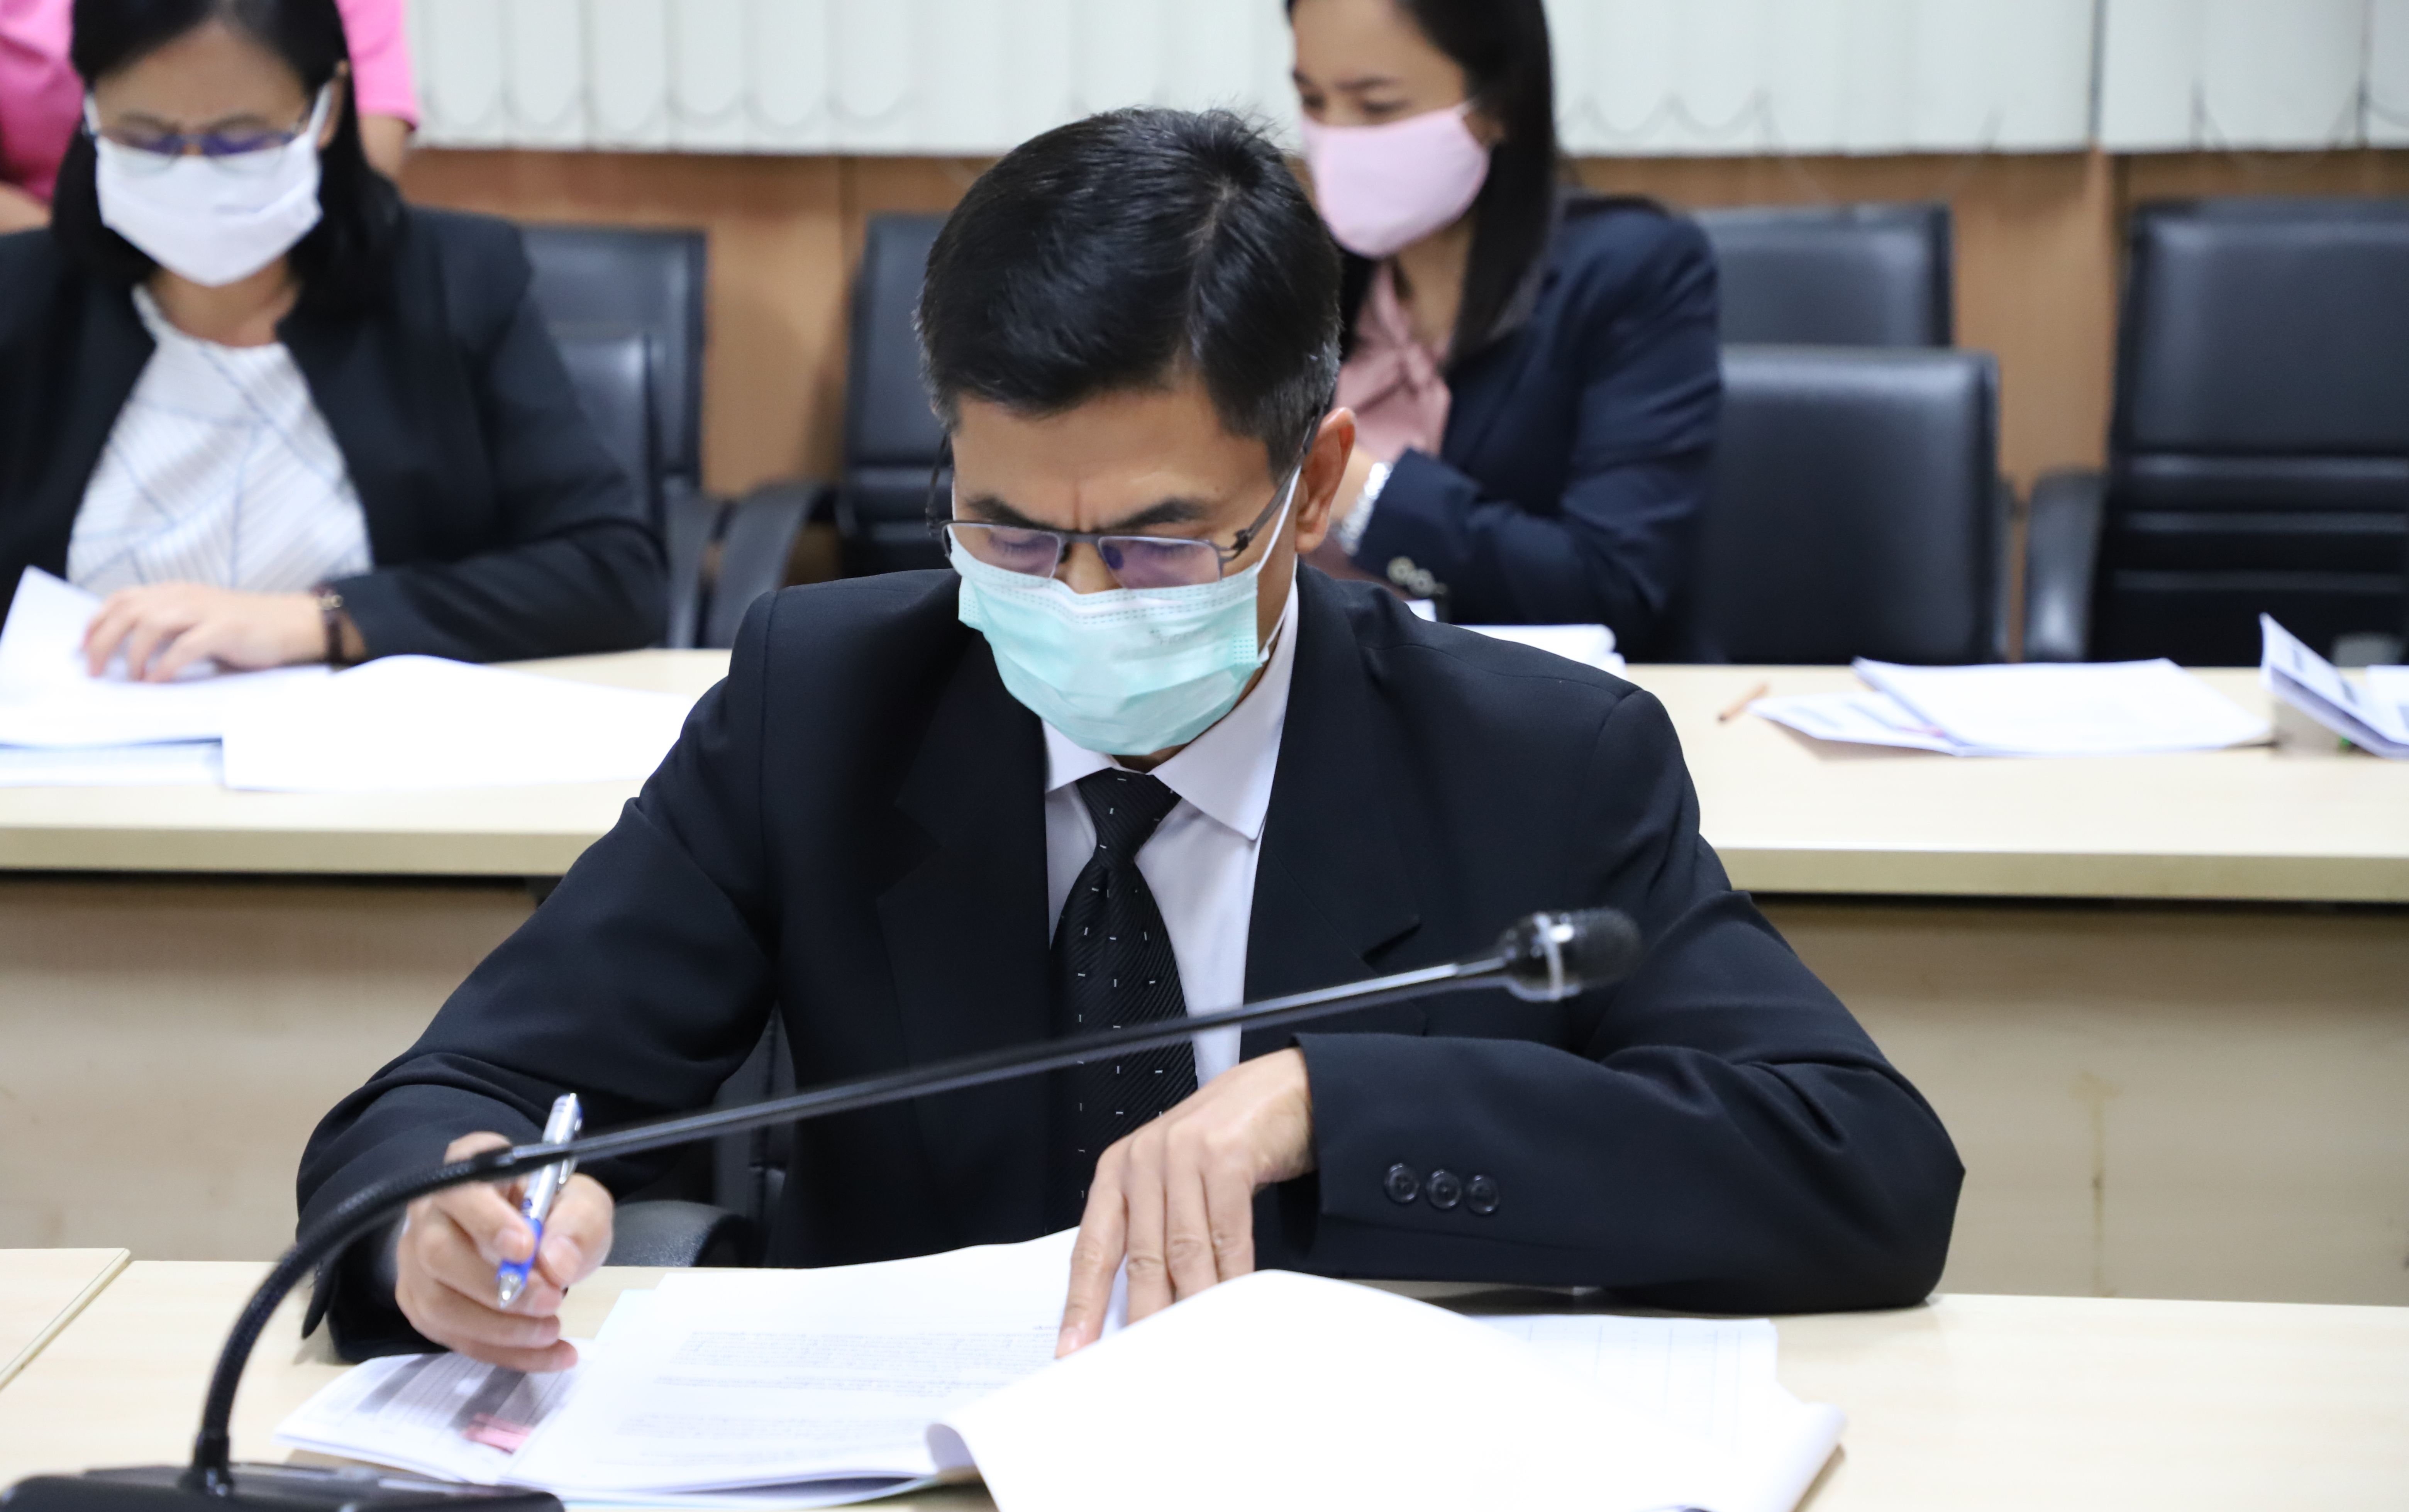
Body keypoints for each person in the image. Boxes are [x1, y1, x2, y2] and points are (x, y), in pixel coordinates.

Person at [296, 107, 1959, 1372]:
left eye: (1160, 544)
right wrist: (444, 1215)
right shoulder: (828, 705)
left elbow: (1866, 1170)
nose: (1079, 597)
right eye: (1012, 533)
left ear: (1314, 484)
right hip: (915, 1502)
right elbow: (451, 1093)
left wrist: (1336, 1101)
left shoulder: (1536, 758)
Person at [0, 0, 662, 675]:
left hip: (372, 735)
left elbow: (614, 575)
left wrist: (320, 620)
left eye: (240, 138)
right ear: (91, 108)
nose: (192, 168)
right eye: (145, 138)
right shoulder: (19, 299)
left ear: (327, 107)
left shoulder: (456, 280)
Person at [1289, 0, 1720, 656]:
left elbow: (1615, 587)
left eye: (1376, 106)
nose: (1336, 139)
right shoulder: (1300, 265)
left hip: (1531, 691)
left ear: (1499, 102)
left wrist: (1360, 490)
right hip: (1315, 678)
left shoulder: (1634, 269)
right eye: (1313, 101)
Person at [2, 0, 414, 234]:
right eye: (143, 131)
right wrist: (82, 257)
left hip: (287, 244)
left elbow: (366, 155)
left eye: (241, 131)